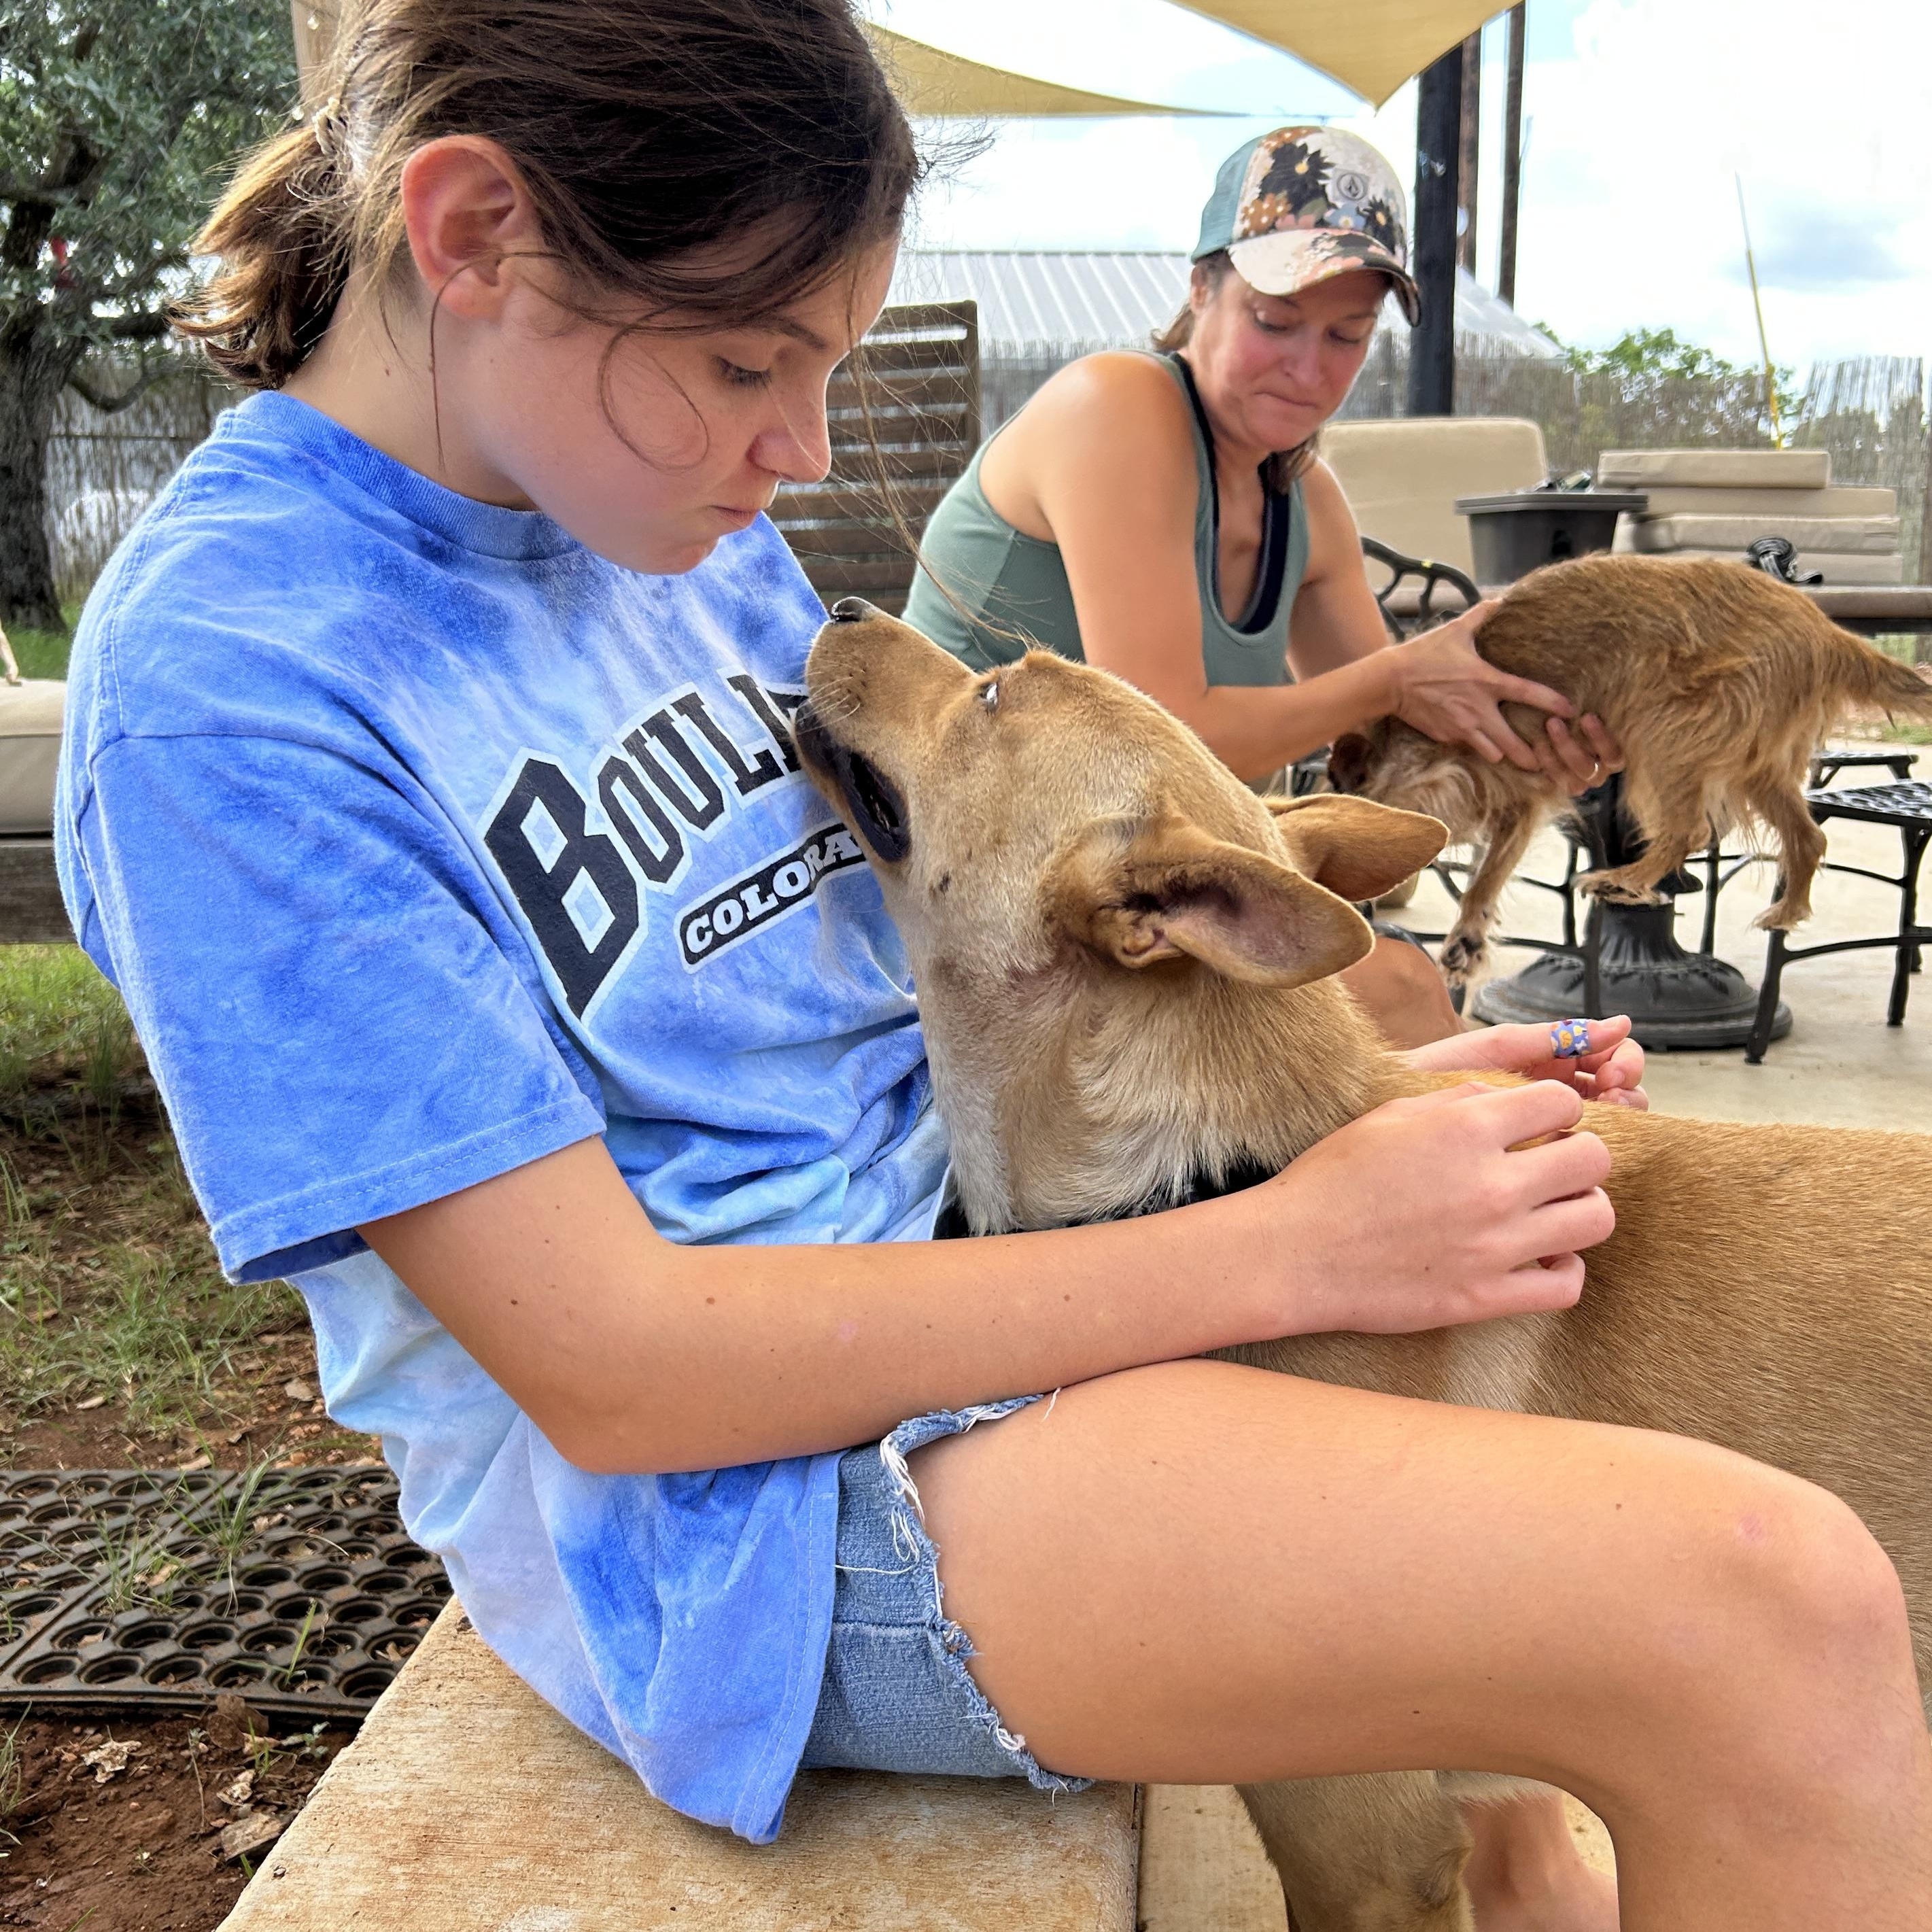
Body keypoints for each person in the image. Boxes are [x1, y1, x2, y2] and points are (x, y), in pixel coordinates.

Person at [54, 7, 1930, 1929]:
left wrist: (1316, 1120)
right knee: (1761, 1612)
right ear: (470, 232)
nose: (797, 452)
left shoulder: (648, 509)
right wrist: (1290, 1242)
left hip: (1012, 1266)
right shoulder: (234, 684)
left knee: (1665, 1437)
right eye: (744, 362)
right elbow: (615, 1372)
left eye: (826, 366)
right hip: (755, 1517)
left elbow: (943, 990)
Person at [905, 126, 1623, 1049]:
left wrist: (1532, 748)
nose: (1309, 368)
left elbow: (1396, 752)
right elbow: (1167, 735)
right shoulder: (1116, 406)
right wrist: (1396, 677)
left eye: (1347, 335)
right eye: (1275, 323)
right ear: (1201, 289)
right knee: (1402, 996)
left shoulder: (1306, 501)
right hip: (959, 893)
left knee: (1409, 994)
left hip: (1121, 889)